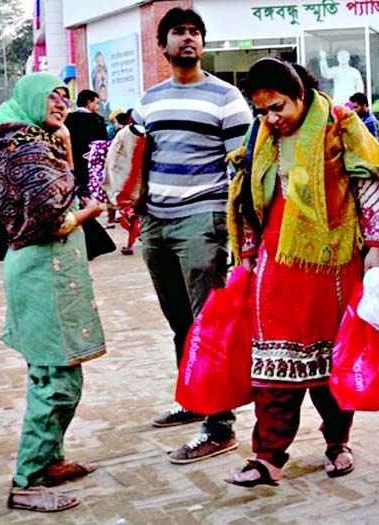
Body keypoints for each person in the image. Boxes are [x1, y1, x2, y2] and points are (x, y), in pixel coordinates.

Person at [227, 57, 379, 487]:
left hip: (331, 262)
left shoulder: (340, 123)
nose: (270, 118)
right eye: (262, 110)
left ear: (301, 94)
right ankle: (268, 456)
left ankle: (338, 442)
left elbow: (367, 181)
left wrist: (374, 248)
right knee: (273, 364)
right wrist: (246, 250)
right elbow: (247, 191)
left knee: (332, 360)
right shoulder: (259, 134)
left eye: (278, 107)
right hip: (275, 264)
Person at [0, 72, 107, 513]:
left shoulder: (25, 138)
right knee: (56, 383)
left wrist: (63, 142)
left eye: (64, 97)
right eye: (51, 96)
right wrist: (91, 210)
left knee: (54, 374)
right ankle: (26, 481)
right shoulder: (26, 147)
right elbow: (52, 215)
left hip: (45, 268)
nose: (60, 104)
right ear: (29, 98)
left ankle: (50, 461)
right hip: (41, 269)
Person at [133, 7, 251, 463]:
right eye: (179, 33)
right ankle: (193, 397)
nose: (188, 39)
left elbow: (241, 167)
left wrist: (241, 230)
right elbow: (138, 156)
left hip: (203, 219)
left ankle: (220, 425)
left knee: (207, 322)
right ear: (163, 45)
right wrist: (136, 205)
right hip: (156, 221)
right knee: (179, 320)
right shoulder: (151, 99)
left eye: (195, 33)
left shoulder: (226, 98)